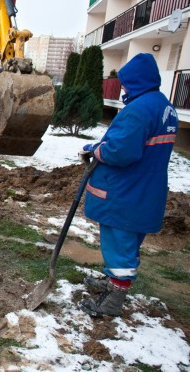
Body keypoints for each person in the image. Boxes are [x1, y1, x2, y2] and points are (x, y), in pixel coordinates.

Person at [78, 53, 178, 318]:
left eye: (125, 83)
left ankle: (112, 300)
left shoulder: (139, 109)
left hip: (124, 192)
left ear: (136, 81)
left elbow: (122, 151)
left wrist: (98, 151)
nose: (122, 88)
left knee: (119, 241)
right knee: (128, 241)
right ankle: (113, 282)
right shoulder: (163, 106)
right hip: (145, 190)